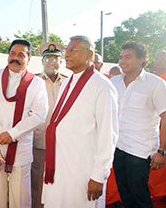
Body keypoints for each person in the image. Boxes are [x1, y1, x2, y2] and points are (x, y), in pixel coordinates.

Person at [0, 39, 48, 208]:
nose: (15, 58)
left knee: (20, 199)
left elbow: (40, 115)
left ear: (29, 58)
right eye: (12, 53)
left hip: (20, 149)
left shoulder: (37, 84)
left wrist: (12, 134)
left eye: (21, 55)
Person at [41, 35, 119, 208]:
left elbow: (108, 134)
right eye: (67, 51)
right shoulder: (67, 82)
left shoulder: (102, 85)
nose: (67, 54)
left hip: (83, 169)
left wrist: (99, 175)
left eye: (73, 50)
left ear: (89, 54)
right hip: (60, 164)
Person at [111, 42, 166, 208]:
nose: (122, 61)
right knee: (125, 194)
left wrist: (162, 151)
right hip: (117, 147)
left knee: (139, 195)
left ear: (142, 59)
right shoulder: (113, 82)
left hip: (140, 151)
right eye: (121, 57)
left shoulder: (155, 83)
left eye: (128, 57)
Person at [31, 43, 67, 208]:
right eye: (48, 58)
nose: (52, 62)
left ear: (61, 62)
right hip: (40, 140)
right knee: (38, 180)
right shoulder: (34, 81)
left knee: (61, 180)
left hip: (63, 142)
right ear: (43, 61)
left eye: (56, 58)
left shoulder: (68, 82)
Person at [150, 50, 166, 207]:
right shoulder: (149, 79)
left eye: (163, 58)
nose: (159, 61)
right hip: (157, 126)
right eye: (156, 58)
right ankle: (162, 195)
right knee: (159, 166)